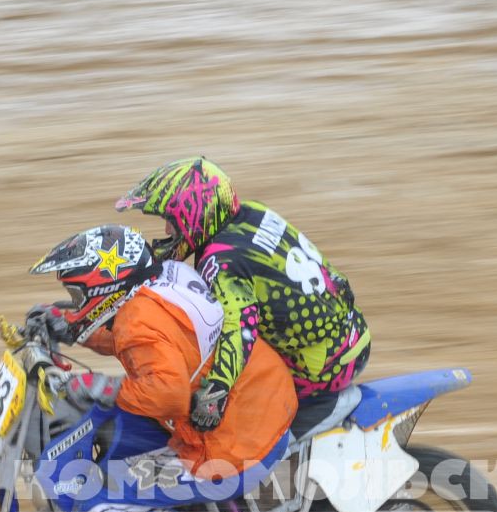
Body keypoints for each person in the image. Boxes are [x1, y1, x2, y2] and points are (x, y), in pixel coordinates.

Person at [114, 157, 369, 433]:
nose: (166, 231)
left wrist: (218, 389)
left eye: (170, 221)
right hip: (348, 332)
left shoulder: (222, 262)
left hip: (324, 365)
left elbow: (240, 325)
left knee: (226, 412)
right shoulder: (251, 213)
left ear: (194, 214)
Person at [27, 224, 296, 486]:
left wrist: (94, 385)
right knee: (117, 428)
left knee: (100, 495)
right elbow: (150, 343)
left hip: (236, 447)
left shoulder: (135, 320)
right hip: (264, 403)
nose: (75, 303)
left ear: (103, 290)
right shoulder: (163, 279)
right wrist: (70, 327)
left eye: (76, 295)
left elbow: (168, 394)